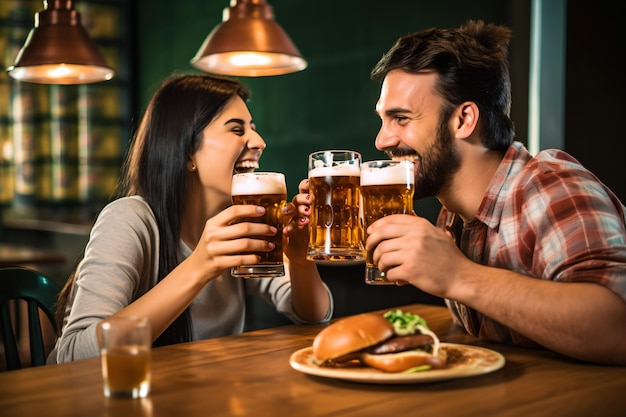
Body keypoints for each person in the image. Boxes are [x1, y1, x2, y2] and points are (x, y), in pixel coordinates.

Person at [365, 20, 626, 365]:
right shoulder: (454, 214)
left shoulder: (552, 186)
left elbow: (616, 329)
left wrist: (458, 275)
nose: (381, 140)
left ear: (463, 120)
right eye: (383, 120)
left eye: (401, 118)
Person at [49, 74, 333, 364]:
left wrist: (299, 258)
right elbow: (73, 356)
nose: (259, 142)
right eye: (236, 129)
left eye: (254, 129)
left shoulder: (240, 226)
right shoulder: (130, 220)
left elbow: (314, 314)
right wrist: (200, 266)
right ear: (187, 153)